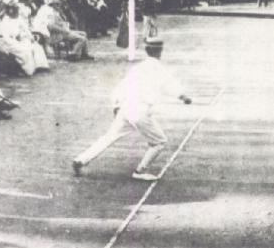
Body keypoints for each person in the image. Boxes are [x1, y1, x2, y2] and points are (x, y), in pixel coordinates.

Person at [72, 38, 192, 180]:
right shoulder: (159, 69)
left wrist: (116, 105)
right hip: (140, 111)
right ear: (160, 51)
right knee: (159, 142)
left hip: (126, 108)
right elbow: (170, 86)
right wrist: (183, 97)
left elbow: (121, 87)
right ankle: (140, 171)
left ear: (147, 51)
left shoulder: (137, 68)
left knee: (109, 137)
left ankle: (81, 160)